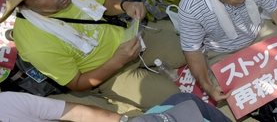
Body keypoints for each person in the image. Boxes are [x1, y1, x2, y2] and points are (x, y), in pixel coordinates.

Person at [0, 0, 185, 111]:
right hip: (109, 75)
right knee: (179, 102)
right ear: (23, 6)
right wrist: (118, 61)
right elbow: (78, 83)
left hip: (129, 37)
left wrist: (125, 5)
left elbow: (103, 3)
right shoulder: (33, 44)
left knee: (189, 49)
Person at [0, 91, 233, 122]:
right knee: (186, 102)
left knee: (182, 100)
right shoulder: (7, 101)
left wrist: (123, 121)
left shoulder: (8, 101)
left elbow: (80, 112)